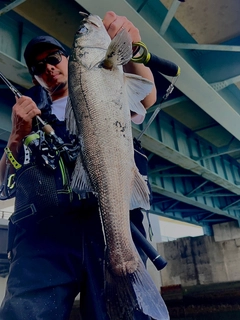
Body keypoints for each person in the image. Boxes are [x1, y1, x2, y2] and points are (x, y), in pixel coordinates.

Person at [0, 11, 157, 320]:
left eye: (54, 58)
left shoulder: (105, 81)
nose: (47, 68)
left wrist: (135, 46)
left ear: (69, 59)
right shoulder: (26, 115)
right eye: (38, 67)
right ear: (34, 78)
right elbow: (1, 183)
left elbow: (147, 96)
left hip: (105, 225)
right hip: (42, 238)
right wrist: (17, 135)